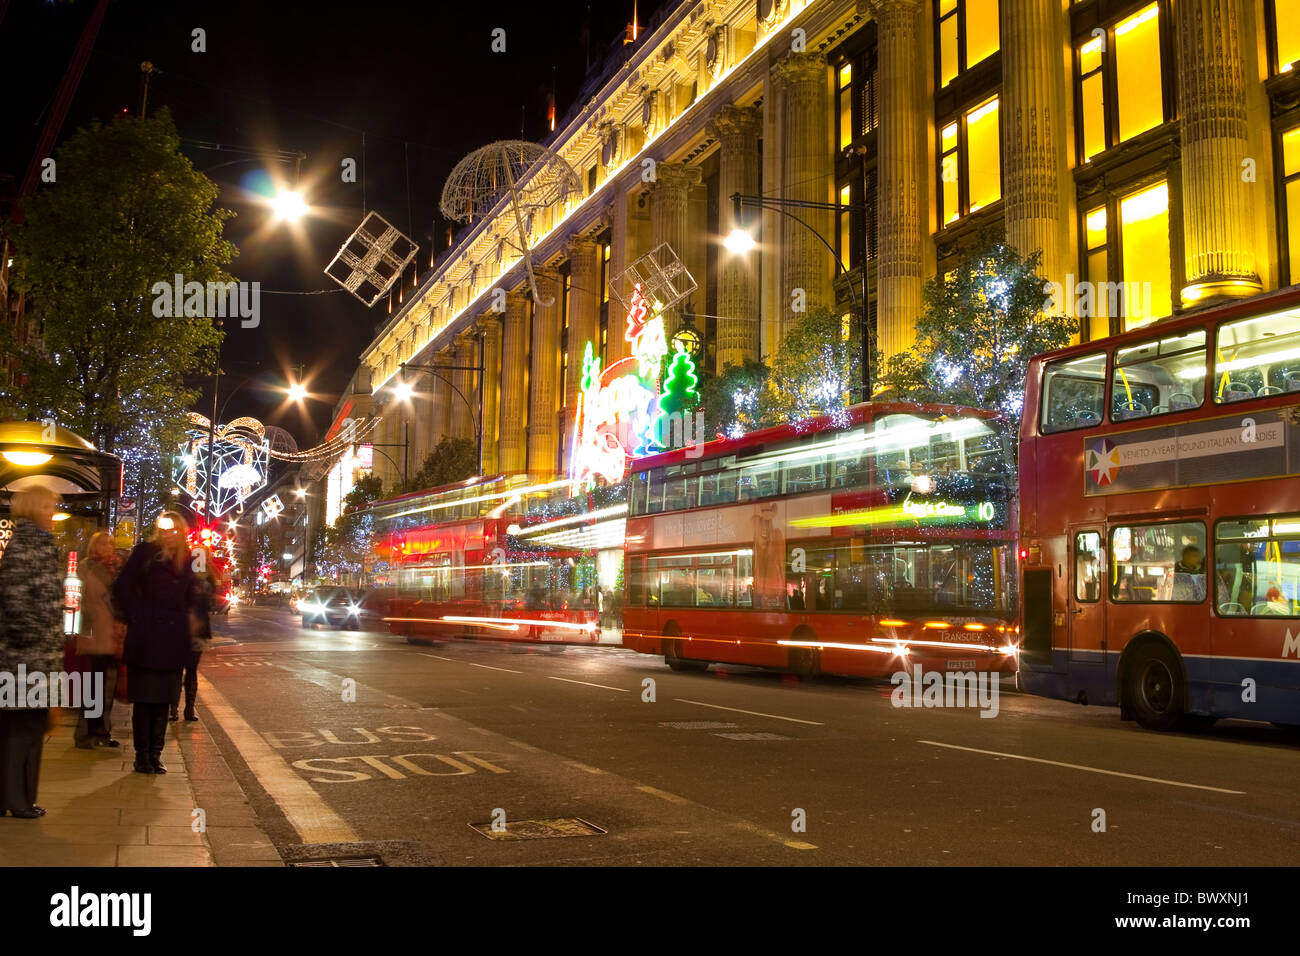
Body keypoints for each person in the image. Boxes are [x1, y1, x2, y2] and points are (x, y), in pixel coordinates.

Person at [113, 512, 200, 773]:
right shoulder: (145, 553)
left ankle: (156, 754)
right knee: (144, 700)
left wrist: (193, 619)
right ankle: (142, 756)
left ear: (181, 532)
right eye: (164, 529)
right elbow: (121, 588)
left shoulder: (187, 559)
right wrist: (137, 615)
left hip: (173, 640)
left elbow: (191, 595)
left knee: (164, 699)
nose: (169, 533)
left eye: (174, 529)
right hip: (146, 636)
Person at [0, 484, 64, 818]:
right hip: (27, 660)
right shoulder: (28, 545)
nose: (51, 512)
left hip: (31, 657)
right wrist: (38, 644)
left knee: (19, 729)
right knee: (23, 731)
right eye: (46, 506)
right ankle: (19, 800)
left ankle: (11, 798)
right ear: (31, 510)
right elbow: (16, 603)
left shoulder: (34, 544)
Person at [74, 532, 124, 749]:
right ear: (94, 545)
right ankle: (90, 731)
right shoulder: (86, 566)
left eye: (110, 543)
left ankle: (102, 729)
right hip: (94, 631)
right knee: (94, 684)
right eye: (102, 542)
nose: (107, 546)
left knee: (108, 685)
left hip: (113, 632)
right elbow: (78, 598)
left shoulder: (116, 567)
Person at [171, 545, 214, 722]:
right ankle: (188, 710)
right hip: (195, 629)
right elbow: (210, 603)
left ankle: (174, 709)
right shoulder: (208, 576)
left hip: (182, 628)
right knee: (191, 670)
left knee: (177, 670)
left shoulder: (182, 572)